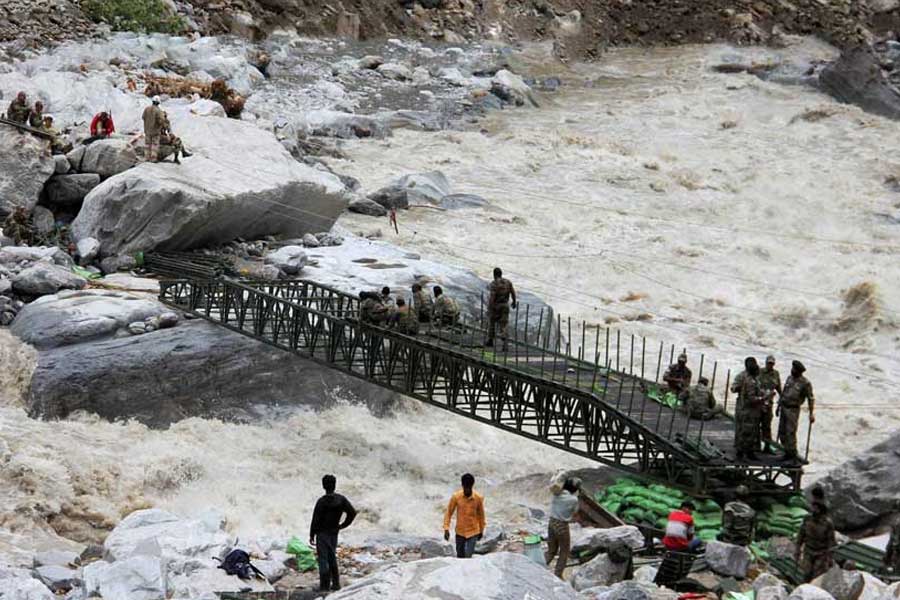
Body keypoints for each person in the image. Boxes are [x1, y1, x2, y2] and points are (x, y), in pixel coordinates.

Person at [309, 474, 357, 592]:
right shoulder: (341, 499)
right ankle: (336, 584)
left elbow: (315, 519)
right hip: (334, 532)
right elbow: (352, 513)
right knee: (332, 557)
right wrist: (343, 525)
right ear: (334, 485)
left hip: (322, 533)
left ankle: (324, 586)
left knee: (323, 559)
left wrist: (312, 534)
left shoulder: (321, 501)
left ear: (323, 486)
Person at [777, 360, 815, 464]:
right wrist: (779, 406)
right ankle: (786, 453)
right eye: (792, 368)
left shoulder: (805, 383)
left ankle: (792, 456)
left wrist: (811, 413)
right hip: (784, 407)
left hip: (793, 410)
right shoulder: (789, 378)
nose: (792, 370)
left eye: (794, 369)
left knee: (790, 433)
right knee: (782, 432)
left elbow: (810, 398)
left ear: (799, 371)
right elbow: (784, 392)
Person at [545, 476, 581, 579]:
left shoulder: (557, 494)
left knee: (551, 550)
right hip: (562, 526)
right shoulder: (573, 499)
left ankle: (539, 567)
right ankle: (558, 574)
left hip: (551, 523)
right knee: (564, 551)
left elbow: (554, 486)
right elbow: (575, 512)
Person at [443, 473, 485, 559]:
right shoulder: (456, 497)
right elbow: (448, 513)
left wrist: (481, 530)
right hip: (460, 532)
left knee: (468, 557)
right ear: (462, 485)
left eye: (469, 487)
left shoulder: (478, 498)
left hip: (473, 532)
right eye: (465, 487)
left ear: (472, 486)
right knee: (460, 557)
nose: (467, 490)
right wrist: (446, 528)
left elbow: (481, 516)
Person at [732, 356, 764, 460]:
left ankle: (750, 450)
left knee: (752, 430)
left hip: (753, 408)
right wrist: (740, 388)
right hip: (744, 406)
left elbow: (758, 389)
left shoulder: (756, 377)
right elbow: (733, 388)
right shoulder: (742, 376)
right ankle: (740, 450)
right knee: (741, 428)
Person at [795, 501, 835, 582]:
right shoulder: (807, 519)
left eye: (815, 508)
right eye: (812, 507)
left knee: (817, 575)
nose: (813, 510)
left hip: (821, 552)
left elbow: (831, 541)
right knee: (806, 573)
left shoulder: (827, 523)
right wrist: (797, 549)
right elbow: (801, 535)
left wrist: (830, 557)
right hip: (808, 550)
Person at [484, 267, 517, 351]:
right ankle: (505, 344)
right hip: (505, 306)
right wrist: (514, 302)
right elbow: (513, 292)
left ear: (494, 275)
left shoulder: (494, 284)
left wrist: (490, 308)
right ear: (501, 274)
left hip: (496, 306)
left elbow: (492, 297)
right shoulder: (508, 282)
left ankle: (490, 341)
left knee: (492, 322)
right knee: (504, 325)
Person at [758, 355, 783, 454]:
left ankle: (767, 446)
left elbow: (778, 388)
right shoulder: (760, 372)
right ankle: (755, 445)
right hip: (759, 402)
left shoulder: (776, 374)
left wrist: (781, 399)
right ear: (766, 363)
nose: (770, 365)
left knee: (767, 425)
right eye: (769, 363)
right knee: (755, 424)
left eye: (772, 364)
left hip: (769, 404)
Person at [142, 96, 165, 162]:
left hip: (147, 130)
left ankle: (146, 157)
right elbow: (161, 121)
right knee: (155, 144)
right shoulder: (159, 111)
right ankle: (153, 158)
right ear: (158, 103)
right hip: (155, 131)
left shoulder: (147, 109)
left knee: (147, 144)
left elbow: (143, 117)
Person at [884, 508, 900, 574]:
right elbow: (893, 533)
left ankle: (892, 567)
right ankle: (889, 566)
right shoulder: (897, 522)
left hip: (895, 543)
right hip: (895, 542)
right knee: (890, 551)